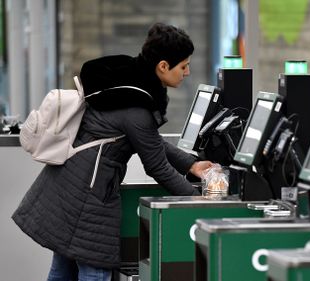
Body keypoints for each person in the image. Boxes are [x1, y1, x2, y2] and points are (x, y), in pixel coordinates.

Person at [12, 23, 213, 281]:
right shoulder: (137, 106)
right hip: (88, 196)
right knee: (95, 272)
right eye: (183, 66)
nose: (187, 72)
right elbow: (157, 166)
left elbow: (149, 140)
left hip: (69, 183)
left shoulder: (128, 82)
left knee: (63, 269)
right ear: (163, 66)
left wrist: (190, 165)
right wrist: (197, 201)